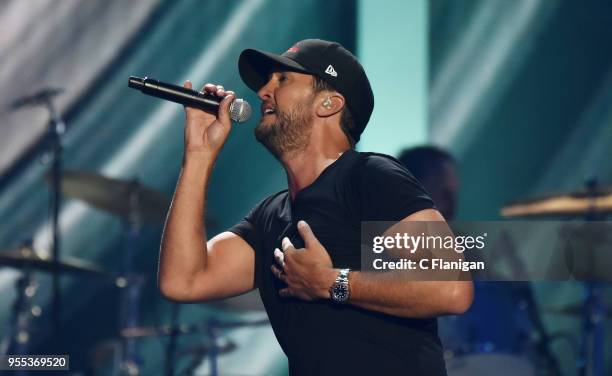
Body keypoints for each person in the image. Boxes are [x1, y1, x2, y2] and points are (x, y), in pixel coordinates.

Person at [158, 39, 473, 375]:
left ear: (328, 103)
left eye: (282, 80)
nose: (264, 91)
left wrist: (331, 283)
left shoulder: (370, 177)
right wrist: (198, 154)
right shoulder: (270, 217)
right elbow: (183, 280)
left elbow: (452, 288)